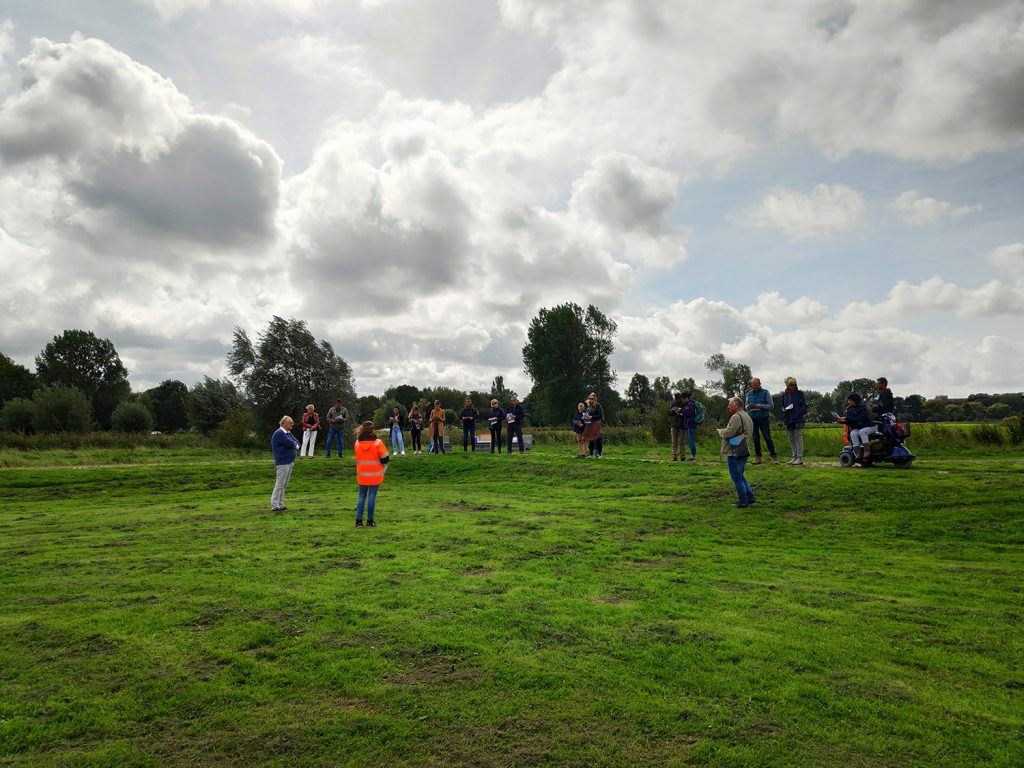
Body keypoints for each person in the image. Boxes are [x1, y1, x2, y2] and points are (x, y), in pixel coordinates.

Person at [718, 397, 755, 508]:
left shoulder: (736, 417)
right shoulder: (747, 416)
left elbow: (729, 433)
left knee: (737, 478)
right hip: (743, 449)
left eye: (730, 404)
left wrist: (720, 431)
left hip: (734, 451)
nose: (728, 406)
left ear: (736, 405)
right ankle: (750, 498)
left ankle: (743, 502)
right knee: (741, 476)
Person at [354, 420, 389, 527]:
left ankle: (358, 521)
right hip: (375, 474)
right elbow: (385, 458)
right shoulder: (378, 443)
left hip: (362, 474)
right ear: (372, 430)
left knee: (361, 496)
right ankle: (370, 521)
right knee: (372, 496)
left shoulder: (357, 443)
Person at [270, 415, 300, 511]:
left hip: (289, 462)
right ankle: (275, 505)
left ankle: (280, 503)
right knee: (280, 484)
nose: (292, 424)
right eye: (290, 422)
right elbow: (290, 443)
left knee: (284, 484)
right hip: (283, 462)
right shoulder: (279, 433)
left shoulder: (288, 433)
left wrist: (295, 445)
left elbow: (297, 443)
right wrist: (294, 445)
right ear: (284, 423)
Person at [745, 378, 777, 465]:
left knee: (767, 437)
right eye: (753, 385)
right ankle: (758, 458)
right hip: (752, 418)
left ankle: (774, 457)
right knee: (755, 439)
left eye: (756, 385)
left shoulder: (766, 392)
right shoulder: (749, 393)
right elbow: (746, 405)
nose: (754, 387)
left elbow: (771, 406)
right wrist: (748, 406)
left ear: (760, 384)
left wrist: (761, 406)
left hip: (763, 418)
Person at [839, 392, 874, 460]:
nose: (849, 401)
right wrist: (842, 421)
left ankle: (867, 451)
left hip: (867, 426)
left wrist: (847, 418)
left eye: (850, 400)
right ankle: (858, 452)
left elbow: (861, 419)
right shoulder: (849, 409)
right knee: (853, 433)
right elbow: (850, 420)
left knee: (862, 432)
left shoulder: (863, 408)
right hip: (858, 427)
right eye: (848, 400)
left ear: (855, 400)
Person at [781, 377, 807, 466]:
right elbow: (782, 406)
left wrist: (799, 413)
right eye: (791, 385)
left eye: (794, 384)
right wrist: (784, 410)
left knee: (798, 437)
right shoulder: (784, 395)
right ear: (787, 385)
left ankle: (800, 457)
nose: (793, 386)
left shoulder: (799, 394)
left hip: (797, 419)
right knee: (791, 438)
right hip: (788, 419)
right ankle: (794, 456)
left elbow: (804, 406)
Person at [669, 392, 697, 462]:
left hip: (676, 425)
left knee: (674, 442)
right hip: (681, 425)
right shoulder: (683, 404)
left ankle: (674, 457)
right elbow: (670, 412)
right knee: (682, 442)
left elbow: (670, 413)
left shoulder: (681, 404)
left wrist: (677, 411)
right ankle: (682, 457)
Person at [583, 392, 604, 457]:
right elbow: (586, 414)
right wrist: (585, 416)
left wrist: (591, 417)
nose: (590, 399)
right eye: (589, 398)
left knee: (596, 438)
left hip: (596, 422)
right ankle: (591, 453)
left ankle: (599, 453)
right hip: (589, 423)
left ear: (595, 399)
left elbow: (600, 415)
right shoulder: (589, 407)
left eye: (591, 398)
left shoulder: (598, 406)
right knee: (590, 438)